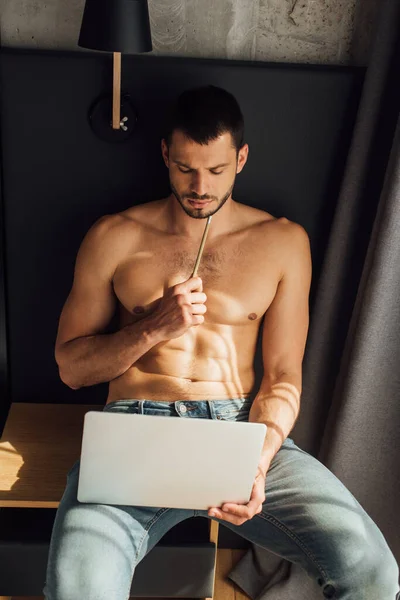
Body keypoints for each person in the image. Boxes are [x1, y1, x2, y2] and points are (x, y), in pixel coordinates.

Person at [44, 85, 399, 600]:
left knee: (372, 571)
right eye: (186, 168)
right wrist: (153, 326)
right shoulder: (114, 236)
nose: (200, 187)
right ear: (165, 153)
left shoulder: (283, 243)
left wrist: (256, 460)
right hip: (135, 430)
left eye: (216, 171)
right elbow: (71, 367)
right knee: (78, 589)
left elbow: (283, 378)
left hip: (242, 430)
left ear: (241, 159)